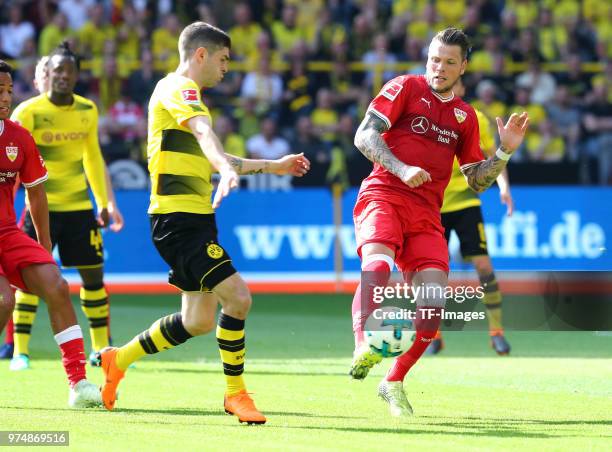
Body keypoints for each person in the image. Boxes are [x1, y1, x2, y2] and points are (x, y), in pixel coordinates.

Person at [96, 22, 309, 424]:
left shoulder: (181, 98)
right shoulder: (181, 90)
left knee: (197, 321)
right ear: (200, 55)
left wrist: (273, 166)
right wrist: (222, 168)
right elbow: (205, 132)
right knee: (239, 297)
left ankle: (117, 359)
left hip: (192, 219)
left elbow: (215, 151)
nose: (227, 68)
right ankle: (236, 395)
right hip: (179, 219)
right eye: (224, 59)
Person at [349, 28, 528, 417]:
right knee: (376, 266)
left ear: (463, 66)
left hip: (427, 215)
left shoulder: (463, 116)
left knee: (432, 303)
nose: (439, 68)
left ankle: (393, 381)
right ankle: (363, 343)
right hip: (383, 196)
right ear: (426, 57)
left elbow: (476, 179)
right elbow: (364, 135)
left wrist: (504, 151)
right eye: (434, 59)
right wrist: (400, 166)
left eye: (449, 62)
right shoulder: (403, 88)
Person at [0, 54, 125, 362]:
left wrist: (105, 201)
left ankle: (99, 349)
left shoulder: (87, 109)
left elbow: (92, 158)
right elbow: (12, 164)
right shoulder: (28, 111)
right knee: (29, 281)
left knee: (92, 278)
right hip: (39, 208)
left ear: (78, 75)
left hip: (79, 205)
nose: (64, 76)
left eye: (70, 70)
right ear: (48, 74)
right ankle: (20, 350)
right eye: (58, 70)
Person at [428, 77, 513, 356]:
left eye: (457, 83)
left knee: (484, 267)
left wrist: (504, 188)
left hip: (466, 203)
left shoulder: (475, 117)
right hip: (433, 205)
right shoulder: (425, 115)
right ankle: (433, 336)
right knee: (432, 273)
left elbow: (493, 158)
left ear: (463, 88)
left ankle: (497, 332)